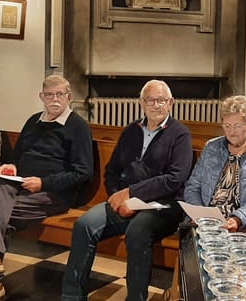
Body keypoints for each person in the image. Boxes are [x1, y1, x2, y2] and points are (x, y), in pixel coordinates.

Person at [0, 75, 95, 301]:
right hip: (21, 188)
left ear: (69, 97)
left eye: (60, 94)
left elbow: (83, 172)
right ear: (41, 97)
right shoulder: (33, 121)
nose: (54, 99)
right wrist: (11, 166)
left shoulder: (77, 127)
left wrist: (43, 182)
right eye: (49, 94)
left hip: (53, 194)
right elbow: (17, 157)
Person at [61, 79, 193, 301]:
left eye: (161, 100)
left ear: (170, 102)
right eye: (150, 100)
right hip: (123, 202)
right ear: (141, 103)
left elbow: (174, 179)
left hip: (163, 206)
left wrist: (131, 193)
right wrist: (116, 196)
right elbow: (111, 170)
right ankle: (72, 296)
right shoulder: (131, 130)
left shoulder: (180, 135)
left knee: (137, 232)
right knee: (84, 225)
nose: (155, 105)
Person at [184, 95, 246, 251]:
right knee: (193, 259)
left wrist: (238, 218)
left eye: (237, 126)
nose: (231, 132)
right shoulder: (212, 147)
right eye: (227, 126)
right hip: (207, 223)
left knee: (227, 253)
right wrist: (200, 214)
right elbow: (192, 186)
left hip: (245, 224)